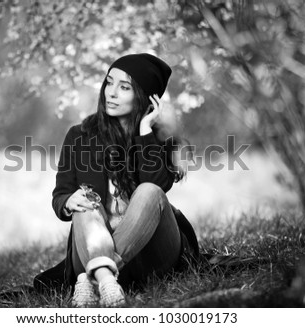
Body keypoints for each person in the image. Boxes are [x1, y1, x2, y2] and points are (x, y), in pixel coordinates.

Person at [33, 53, 199, 307]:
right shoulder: (80, 136)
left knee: (149, 192)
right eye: (109, 83)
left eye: (124, 88)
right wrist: (69, 201)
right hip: (92, 244)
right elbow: (60, 195)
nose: (110, 93)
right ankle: (105, 277)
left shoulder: (160, 139)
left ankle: (96, 275)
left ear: (145, 97)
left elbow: (157, 185)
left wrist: (145, 132)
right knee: (86, 201)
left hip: (151, 255)